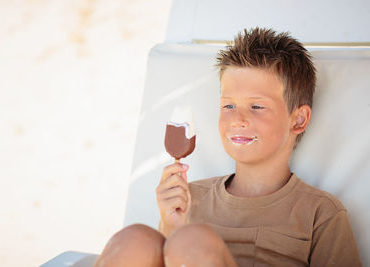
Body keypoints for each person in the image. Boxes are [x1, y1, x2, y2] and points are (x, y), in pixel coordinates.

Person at [94, 28, 362, 267]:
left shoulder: (320, 213)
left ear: (298, 119)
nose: (237, 119)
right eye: (228, 105)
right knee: (135, 239)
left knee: (193, 240)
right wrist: (170, 225)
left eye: (257, 106)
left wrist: (187, 240)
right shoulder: (188, 198)